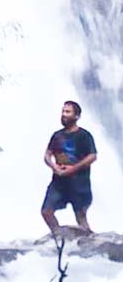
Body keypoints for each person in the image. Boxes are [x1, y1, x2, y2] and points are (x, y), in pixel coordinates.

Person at [41, 100, 97, 234]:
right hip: (59, 182)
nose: (64, 114)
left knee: (80, 216)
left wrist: (73, 169)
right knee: (46, 211)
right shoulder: (57, 136)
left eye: (68, 112)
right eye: (63, 111)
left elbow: (92, 156)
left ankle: (89, 240)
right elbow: (48, 154)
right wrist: (54, 167)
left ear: (76, 116)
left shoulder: (84, 136)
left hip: (79, 183)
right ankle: (59, 236)